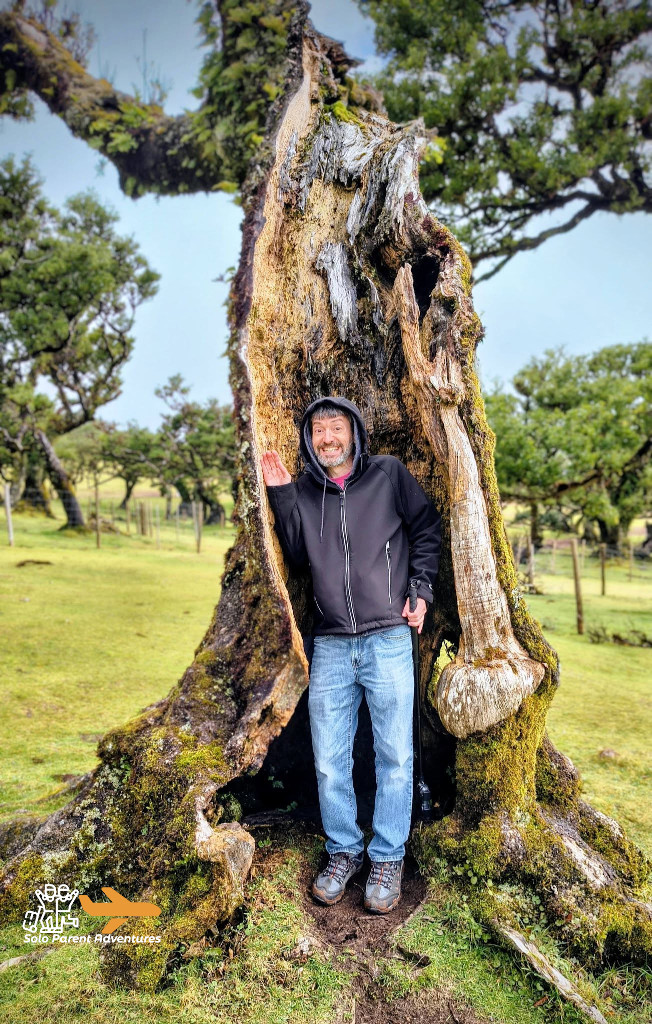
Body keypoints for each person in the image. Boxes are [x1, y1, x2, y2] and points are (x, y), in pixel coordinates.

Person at [261, 396, 441, 913]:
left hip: (388, 638)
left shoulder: (388, 475)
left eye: (336, 427)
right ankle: (343, 851)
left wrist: (421, 589)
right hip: (332, 643)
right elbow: (296, 553)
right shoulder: (306, 491)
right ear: (309, 440)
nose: (328, 439)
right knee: (329, 761)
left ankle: (388, 856)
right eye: (318, 431)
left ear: (354, 432)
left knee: (396, 757)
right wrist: (280, 496)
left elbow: (426, 530)